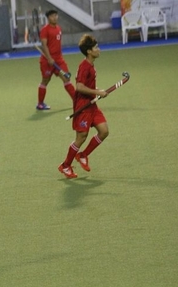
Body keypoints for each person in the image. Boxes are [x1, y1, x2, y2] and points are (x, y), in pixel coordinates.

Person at [58, 34, 109, 179]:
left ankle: (83, 155)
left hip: (92, 105)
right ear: (89, 51)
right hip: (83, 107)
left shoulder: (91, 66)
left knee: (104, 131)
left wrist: (97, 90)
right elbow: (79, 87)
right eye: (96, 47)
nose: (99, 49)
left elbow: (87, 85)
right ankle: (65, 165)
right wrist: (97, 92)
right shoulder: (84, 66)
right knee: (81, 137)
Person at [36, 10, 75, 110]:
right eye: (52, 16)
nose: (54, 17)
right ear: (48, 18)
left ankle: (77, 101)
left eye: (55, 15)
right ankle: (40, 104)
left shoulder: (58, 28)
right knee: (45, 80)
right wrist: (49, 58)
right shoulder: (45, 30)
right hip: (47, 61)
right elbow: (44, 45)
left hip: (59, 60)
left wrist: (57, 58)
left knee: (66, 78)